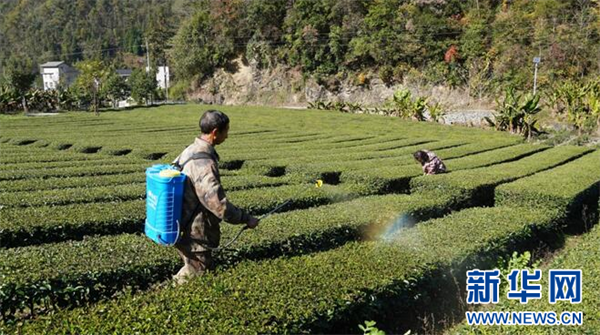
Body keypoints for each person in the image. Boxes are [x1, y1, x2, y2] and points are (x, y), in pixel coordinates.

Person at [172, 110, 260, 284]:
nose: (227, 136)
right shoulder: (204, 163)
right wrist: (245, 218)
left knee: (193, 269)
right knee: (196, 275)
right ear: (215, 132)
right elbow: (217, 204)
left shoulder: (189, 150)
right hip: (195, 232)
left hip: (181, 224)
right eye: (226, 131)